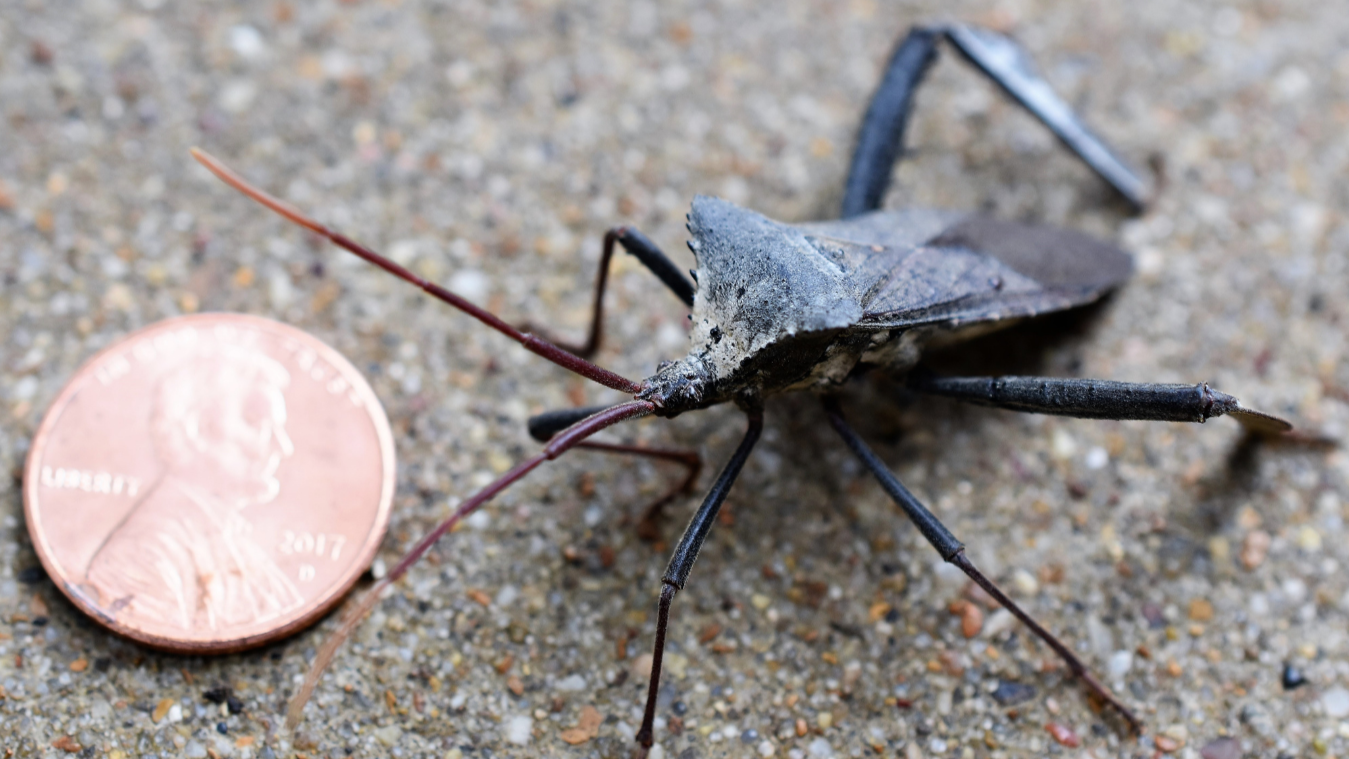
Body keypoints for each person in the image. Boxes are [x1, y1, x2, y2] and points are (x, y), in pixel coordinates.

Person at [85, 345, 304, 632]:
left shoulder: (234, 539)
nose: (282, 447)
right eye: (257, 424)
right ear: (197, 428)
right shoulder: (144, 553)